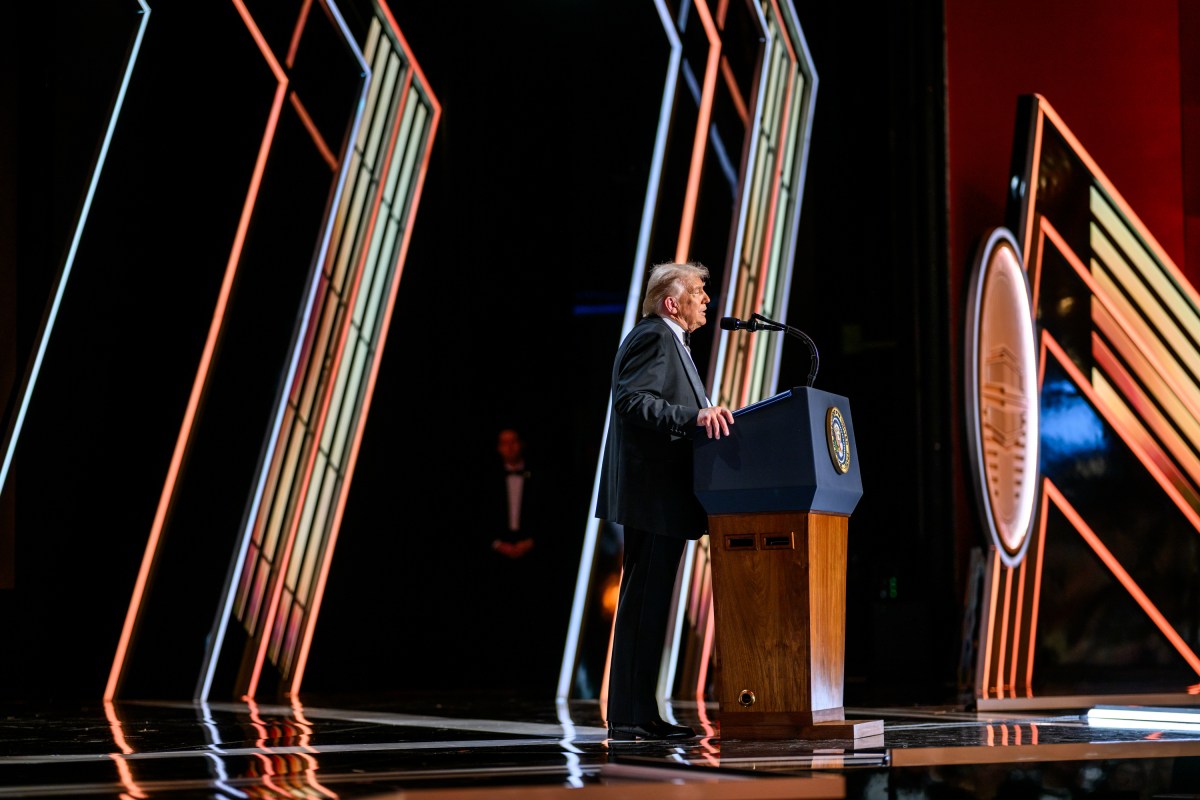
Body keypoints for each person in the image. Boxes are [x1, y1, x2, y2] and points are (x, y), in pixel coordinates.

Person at [596, 260, 735, 740]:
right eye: (698, 291)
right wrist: (695, 418)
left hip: (664, 498)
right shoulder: (654, 335)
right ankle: (633, 715)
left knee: (650, 605)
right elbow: (631, 400)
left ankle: (638, 713)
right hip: (653, 495)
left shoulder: (673, 342)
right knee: (643, 605)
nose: (706, 300)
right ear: (671, 302)